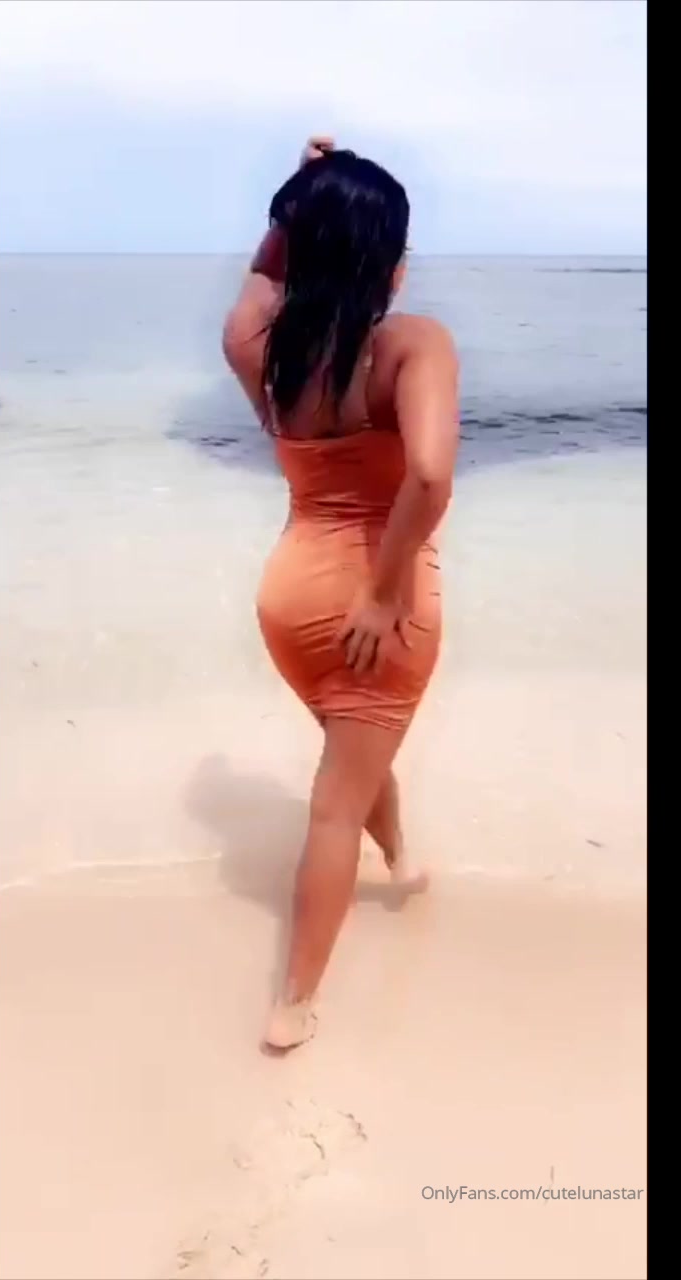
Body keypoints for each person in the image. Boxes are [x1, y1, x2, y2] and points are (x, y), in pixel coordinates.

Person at [223, 138, 459, 1049]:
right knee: (334, 804)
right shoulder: (412, 344)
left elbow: (259, 280)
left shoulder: (261, 349)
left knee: (350, 755)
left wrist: (301, 197)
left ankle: (399, 859)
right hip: (375, 607)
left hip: (288, 599)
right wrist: (383, 593)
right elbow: (428, 476)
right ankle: (295, 1002)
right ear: (389, 262)